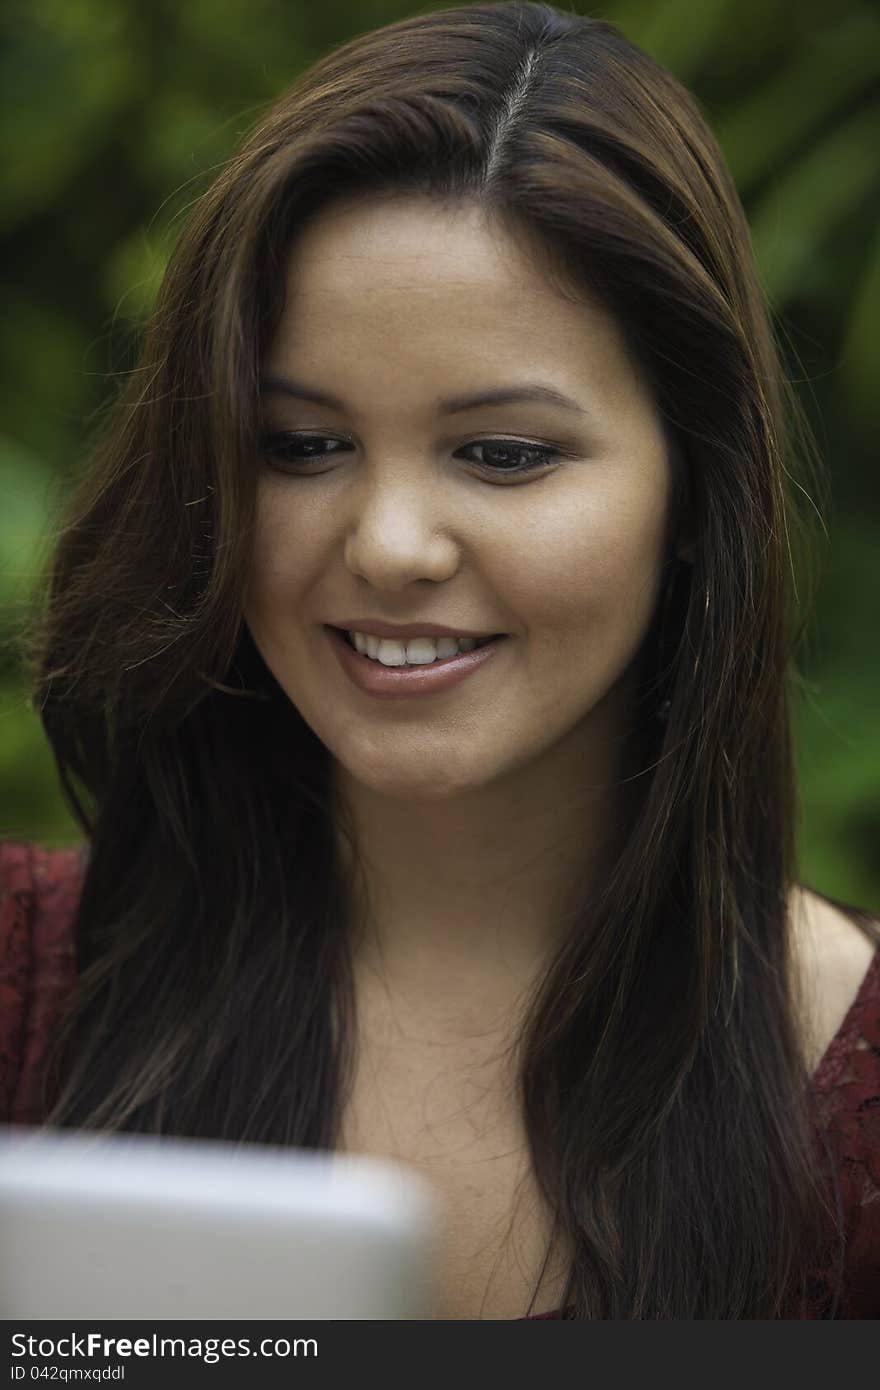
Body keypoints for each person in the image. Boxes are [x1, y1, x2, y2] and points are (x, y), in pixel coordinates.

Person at [1, 1, 877, 1320]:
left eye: (503, 453)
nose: (391, 544)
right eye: (301, 445)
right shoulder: (27, 993)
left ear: (696, 492)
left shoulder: (850, 1111)